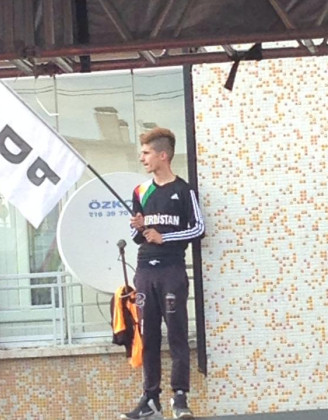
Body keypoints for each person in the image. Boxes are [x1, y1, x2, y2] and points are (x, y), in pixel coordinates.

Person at [121, 128, 205, 420]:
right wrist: (138, 226)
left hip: (172, 270)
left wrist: (164, 237)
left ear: (163, 155)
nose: (142, 158)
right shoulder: (140, 191)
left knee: (177, 333)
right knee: (148, 335)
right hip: (145, 270)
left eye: (146, 153)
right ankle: (150, 398)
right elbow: (138, 237)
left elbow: (198, 229)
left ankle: (179, 397)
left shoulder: (184, 191)